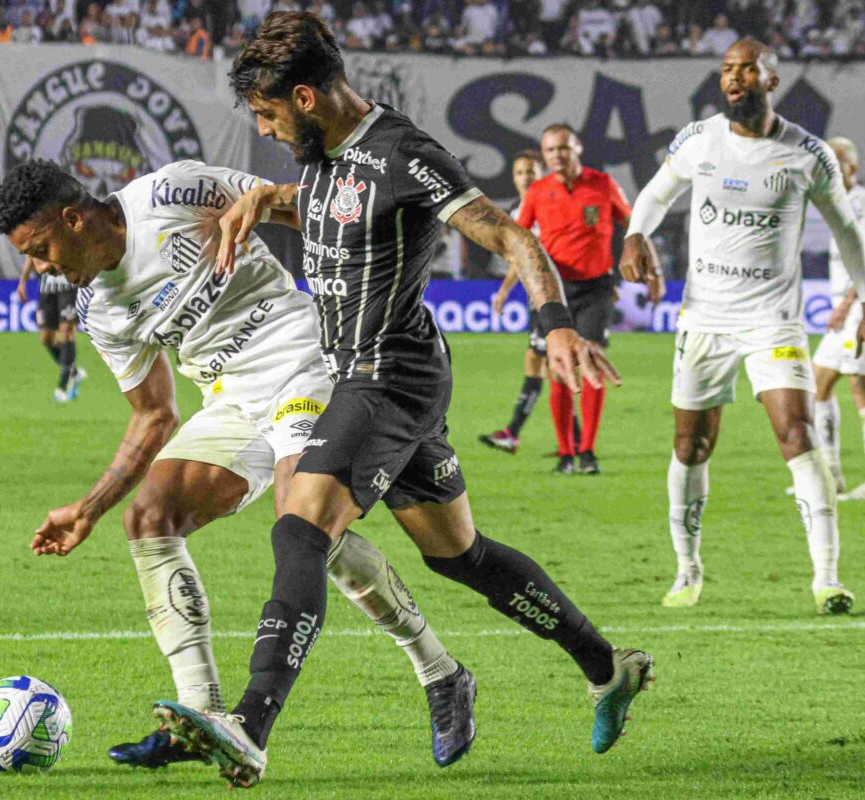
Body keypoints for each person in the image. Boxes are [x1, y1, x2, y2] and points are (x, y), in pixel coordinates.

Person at [153, 11, 653, 788]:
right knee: (461, 555)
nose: (268, 129)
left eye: (269, 114)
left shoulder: (404, 152)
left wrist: (555, 326)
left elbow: (513, 236)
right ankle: (607, 666)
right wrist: (267, 201)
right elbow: (323, 202)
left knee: (301, 526)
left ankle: (248, 724)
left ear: (309, 97)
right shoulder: (321, 156)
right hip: (375, 375)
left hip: (390, 374)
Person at [0, 158, 474, 772]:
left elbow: (311, 208)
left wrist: (362, 264)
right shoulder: (100, 311)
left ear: (74, 219)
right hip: (233, 398)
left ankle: (438, 670)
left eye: (40, 249)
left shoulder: (171, 192)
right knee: (148, 517)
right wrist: (87, 508)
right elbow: (153, 415)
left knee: (303, 525)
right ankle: (202, 716)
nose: (41, 268)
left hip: (305, 358)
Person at [618, 39, 865, 614]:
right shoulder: (699, 140)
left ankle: (827, 579)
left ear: (772, 80)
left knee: (798, 432)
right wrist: (634, 235)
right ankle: (687, 571)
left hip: (772, 320)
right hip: (704, 319)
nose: (734, 77)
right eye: (726, 69)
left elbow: (846, 231)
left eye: (747, 68)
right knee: (690, 444)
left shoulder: (807, 154)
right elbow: (654, 194)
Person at [494, 125, 639, 475]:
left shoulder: (603, 185)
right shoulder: (539, 192)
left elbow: (631, 220)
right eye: (550, 150)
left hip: (595, 288)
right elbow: (519, 241)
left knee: (592, 362)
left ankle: (587, 452)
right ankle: (566, 454)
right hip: (555, 291)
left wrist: (632, 256)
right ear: (544, 156)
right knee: (558, 371)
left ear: (577, 147)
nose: (557, 155)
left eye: (562, 148)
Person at [807, 137, 865, 501]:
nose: (827, 170)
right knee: (818, 384)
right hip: (850, 310)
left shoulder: (862, 203)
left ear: (852, 168)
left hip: (862, 309)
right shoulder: (837, 202)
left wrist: (846, 304)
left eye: (835, 163)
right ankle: (831, 475)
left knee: (863, 388)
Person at [478, 151, 549, 455]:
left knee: (541, 361)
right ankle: (573, 445)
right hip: (538, 297)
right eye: (520, 172)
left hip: (554, 296)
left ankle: (516, 433)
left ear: (543, 173)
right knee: (543, 362)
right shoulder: (520, 210)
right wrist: (505, 290)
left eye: (531, 172)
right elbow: (520, 259)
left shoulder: (550, 205)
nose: (525, 178)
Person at [16, 259, 85, 402]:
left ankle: (62, 388)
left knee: (66, 333)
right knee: (46, 339)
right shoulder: (39, 236)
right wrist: (23, 281)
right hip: (46, 289)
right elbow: (31, 255)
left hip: (69, 288)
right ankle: (73, 372)